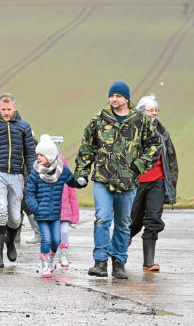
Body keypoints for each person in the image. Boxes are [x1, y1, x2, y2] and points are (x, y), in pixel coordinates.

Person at [75, 81, 160, 279]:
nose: (114, 99)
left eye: (118, 96)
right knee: (102, 219)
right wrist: (81, 172)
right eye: (112, 95)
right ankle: (100, 262)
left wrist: (139, 165)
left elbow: (154, 145)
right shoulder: (99, 120)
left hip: (128, 182)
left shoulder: (139, 120)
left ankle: (119, 262)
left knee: (123, 223)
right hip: (103, 179)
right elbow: (87, 147)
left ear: (126, 99)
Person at [0, 94, 36, 268]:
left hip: (17, 174)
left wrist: (32, 178)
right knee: (0, 210)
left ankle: (9, 242)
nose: (6, 113)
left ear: (15, 108)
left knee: (15, 219)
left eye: (9, 110)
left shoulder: (24, 127)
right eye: (3, 110)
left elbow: (30, 155)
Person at [129, 94, 179, 272]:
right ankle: (120, 248)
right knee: (132, 221)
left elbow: (171, 159)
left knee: (153, 219)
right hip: (136, 182)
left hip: (157, 180)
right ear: (141, 112)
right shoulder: (132, 131)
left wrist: (170, 184)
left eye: (156, 110)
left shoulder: (163, 133)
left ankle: (148, 262)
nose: (154, 114)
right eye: (150, 110)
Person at [25, 135, 81, 278]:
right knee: (46, 239)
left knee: (56, 239)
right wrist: (35, 208)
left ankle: (51, 259)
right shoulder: (35, 173)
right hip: (41, 214)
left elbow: (72, 182)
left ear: (50, 156)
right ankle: (45, 265)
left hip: (56, 213)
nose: (39, 158)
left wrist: (81, 181)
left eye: (42, 155)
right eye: (38, 155)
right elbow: (29, 193)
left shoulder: (61, 171)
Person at [57, 154, 80, 268]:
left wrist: (75, 218)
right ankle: (50, 257)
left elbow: (73, 198)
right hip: (52, 213)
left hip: (65, 213)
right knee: (53, 237)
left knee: (64, 231)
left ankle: (63, 255)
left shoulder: (68, 181)